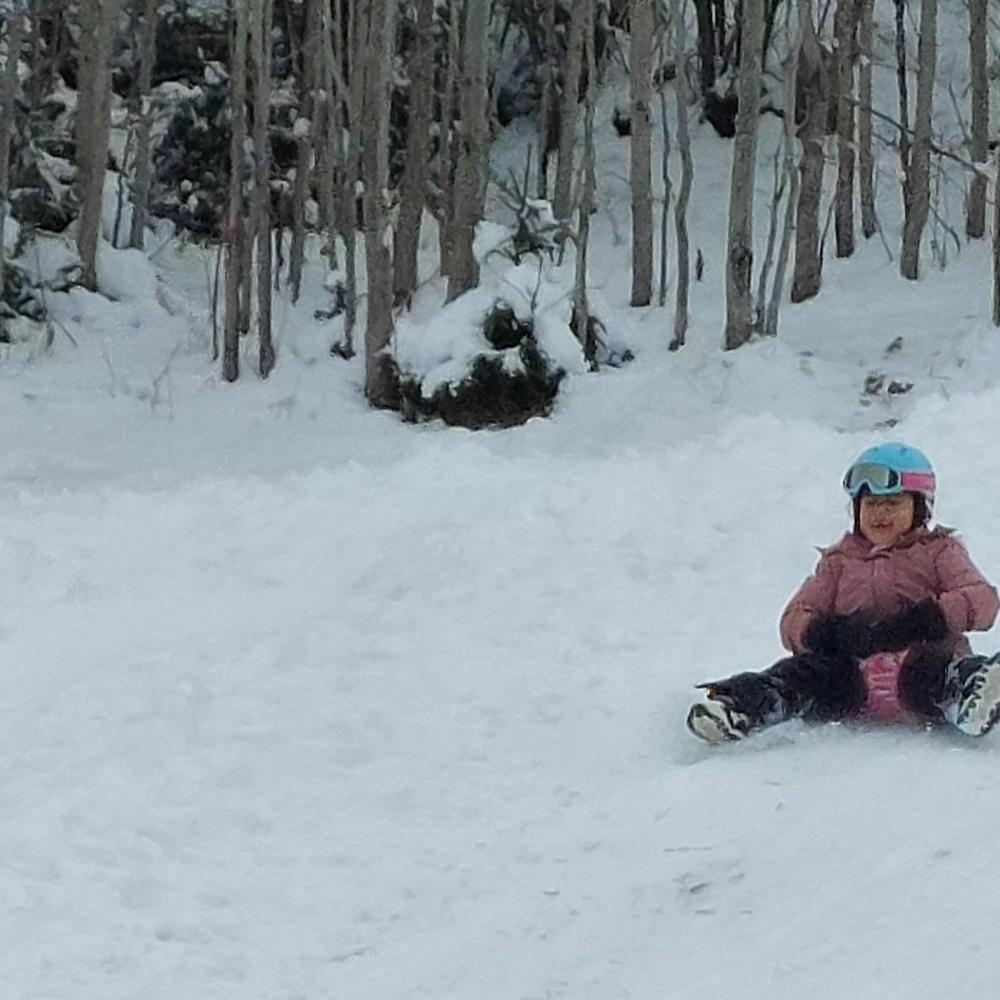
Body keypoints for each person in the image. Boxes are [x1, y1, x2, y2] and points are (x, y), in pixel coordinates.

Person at [687, 442, 1000, 743]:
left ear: (920, 507)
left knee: (937, 673)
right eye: (871, 504)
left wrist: (929, 618)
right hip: (851, 675)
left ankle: (972, 696)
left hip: (919, 661)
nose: (880, 514)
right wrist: (826, 632)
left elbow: (983, 599)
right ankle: (740, 708)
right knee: (801, 674)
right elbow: (794, 617)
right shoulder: (839, 561)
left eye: (892, 504)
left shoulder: (938, 551)